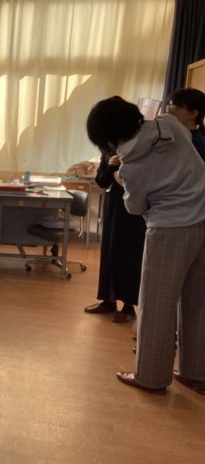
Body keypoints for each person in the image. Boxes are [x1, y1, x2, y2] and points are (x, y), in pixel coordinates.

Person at [86, 96, 205, 394]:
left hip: (169, 228)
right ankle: (196, 372)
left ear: (107, 138)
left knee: (156, 305)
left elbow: (135, 207)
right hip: (203, 218)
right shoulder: (170, 125)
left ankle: (150, 377)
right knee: (198, 302)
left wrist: (121, 180)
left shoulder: (130, 167)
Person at [83, 152, 145, 323]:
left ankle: (128, 306)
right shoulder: (108, 150)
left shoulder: (139, 148)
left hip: (134, 211)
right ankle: (108, 301)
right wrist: (110, 167)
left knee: (130, 255)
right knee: (109, 253)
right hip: (113, 207)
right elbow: (101, 181)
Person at [166, 87, 205, 160]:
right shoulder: (175, 134)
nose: (169, 111)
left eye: (175, 107)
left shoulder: (195, 143)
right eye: (169, 106)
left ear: (193, 114)